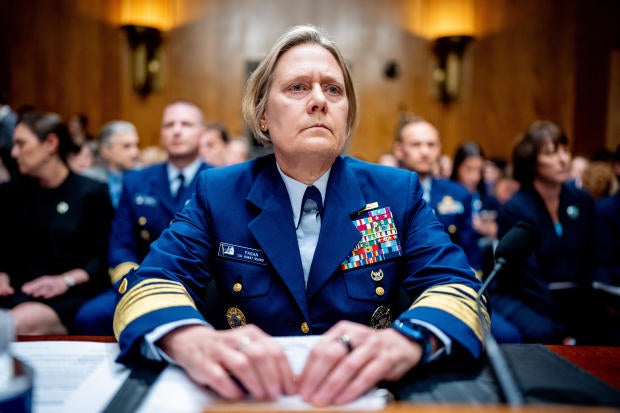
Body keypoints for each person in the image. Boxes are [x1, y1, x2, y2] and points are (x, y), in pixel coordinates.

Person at [112, 25, 485, 406]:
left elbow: (461, 291)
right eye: (297, 88)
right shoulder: (220, 192)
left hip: (367, 394)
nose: (320, 101)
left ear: (347, 115)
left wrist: (408, 340)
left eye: (334, 90)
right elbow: (148, 285)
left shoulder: (396, 192)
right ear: (262, 117)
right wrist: (190, 339)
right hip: (250, 397)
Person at [74, 100, 210, 335]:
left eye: (186, 124)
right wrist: (137, 283)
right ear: (162, 135)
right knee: (89, 317)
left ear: (201, 133)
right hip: (140, 280)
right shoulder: (136, 181)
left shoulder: (218, 179)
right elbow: (121, 245)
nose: (176, 130)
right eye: (169, 125)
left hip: (198, 287)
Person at [491, 120, 604, 344]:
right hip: (525, 298)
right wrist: (564, 331)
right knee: (546, 333)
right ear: (532, 162)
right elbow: (528, 280)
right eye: (551, 153)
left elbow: (592, 262)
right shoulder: (516, 208)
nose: (563, 159)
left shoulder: (581, 201)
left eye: (564, 150)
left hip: (572, 300)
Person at [0, 112, 113, 334]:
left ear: (50, 144)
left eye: (21, 144)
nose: (14, 153)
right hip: (17, 290)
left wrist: (65, 280)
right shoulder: (12, 193)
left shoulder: (90, 192)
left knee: (18, 323)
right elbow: (3, 246)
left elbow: (102, 257)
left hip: (69, 293)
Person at [393, 114, 480, 272]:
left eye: (431, 145)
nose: (425, 151)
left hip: (446, 279)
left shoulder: (458, 194)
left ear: (439, 149)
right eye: (416, 144)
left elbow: (469, 252)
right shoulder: (383, 192)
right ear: (399, 149)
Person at [82, 121, 141, 208]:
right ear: (105, 150)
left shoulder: (146, 176)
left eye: (136, 145)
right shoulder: (88, 180)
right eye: (126, 146)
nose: (135, 153)